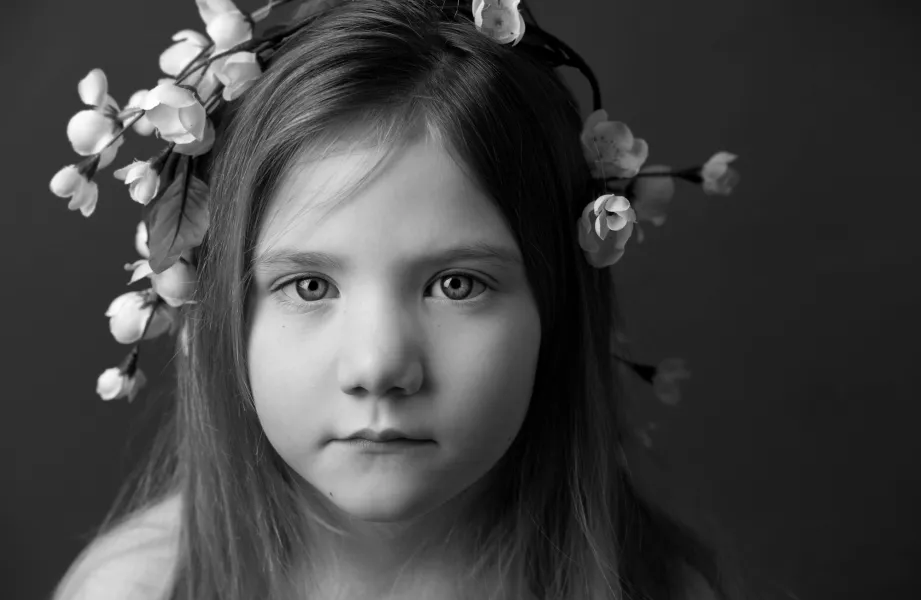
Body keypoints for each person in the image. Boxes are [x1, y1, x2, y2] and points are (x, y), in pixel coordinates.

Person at [49, 1, 744, 598]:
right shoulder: (132, 590)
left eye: (456, 284)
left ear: (555, 310)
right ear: (220, 312)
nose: (379, 366)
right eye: (309, 285)